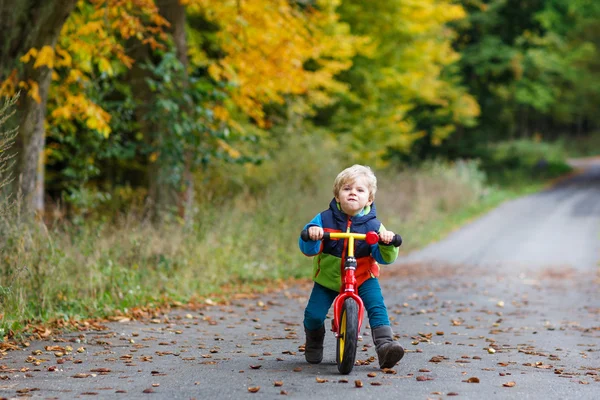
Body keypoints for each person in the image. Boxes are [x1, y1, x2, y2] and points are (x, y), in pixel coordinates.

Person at [298, 164, 404, 369]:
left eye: (360, 190)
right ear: (337, 196)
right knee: (313, 315)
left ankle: (385, 346)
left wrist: (386, 242)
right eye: (347, 189)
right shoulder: (323, 219)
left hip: (363, 276)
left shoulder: (374, 226)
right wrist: (312, 234)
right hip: (328, 279)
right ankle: (314, 340)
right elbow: (307, 248)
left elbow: (386, 259)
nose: (353, 193)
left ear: (369, 199)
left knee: (376, 306)